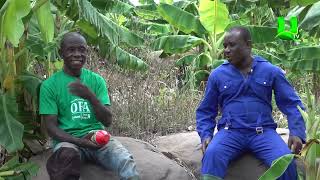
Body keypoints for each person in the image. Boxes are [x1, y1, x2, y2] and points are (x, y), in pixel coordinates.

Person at [196, 26, 305, 180]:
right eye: (225, 46)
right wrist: (206, 134)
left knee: (285, 162)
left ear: (248, 45)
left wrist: (297, 133)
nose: (226, 50)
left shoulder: (270, 71)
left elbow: (292, 104)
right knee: (212, 155)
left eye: (232, 45)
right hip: (230, 133)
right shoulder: (218, 75)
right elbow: (206, 110)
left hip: (263, 133)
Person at [39, 32, 139, 180]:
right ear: (61, 53)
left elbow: (107, 121)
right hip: (68, 141)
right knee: (64, 163)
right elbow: (51, 128)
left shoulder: (96, 81)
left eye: (82, 49)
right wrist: (80, 142)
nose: (77, 54)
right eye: (71, 50)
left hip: (96, 138)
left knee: (125, 160)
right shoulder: (49, 85)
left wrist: (90, 96)